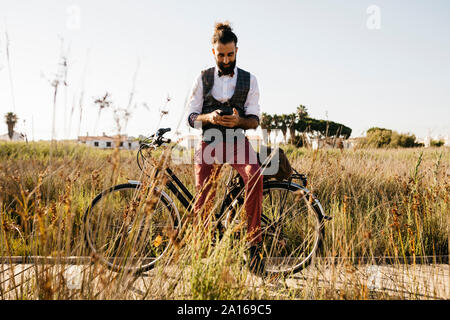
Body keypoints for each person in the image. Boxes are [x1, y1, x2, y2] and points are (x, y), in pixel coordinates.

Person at [186, 21, 264, 273]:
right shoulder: (202, 78)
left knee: (255, 175)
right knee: (203, 197)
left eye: (230, 54)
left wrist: (238, 120)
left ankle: (253, 247)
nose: (226, 59)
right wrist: (209, 118)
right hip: (208, 141)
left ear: (236, 51)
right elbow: (190, 116)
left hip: (236, 140)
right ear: (213, 52)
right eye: (221, 55)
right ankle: (201, 257)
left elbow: (254, 119)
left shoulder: (250, 80)